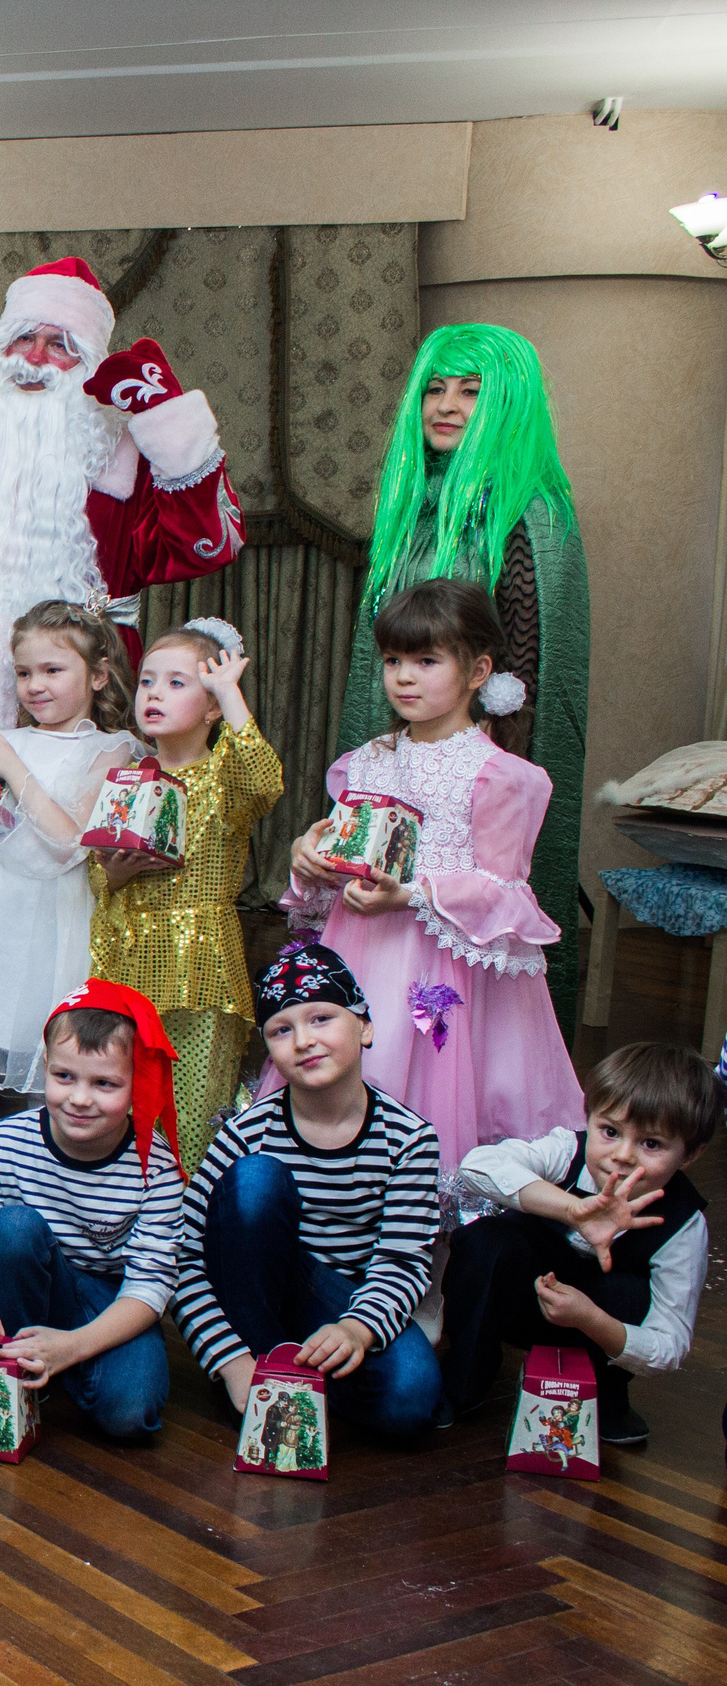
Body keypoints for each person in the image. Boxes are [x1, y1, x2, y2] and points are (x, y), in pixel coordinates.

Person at [285, 579, 580, 1181]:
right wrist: (307, 857)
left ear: (478, 671)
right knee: (354, 1068)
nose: (404, 677)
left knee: (426, 1076)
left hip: (442, 969)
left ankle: (420, 1212)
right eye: (393, 660)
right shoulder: (365, 760)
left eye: (426, 661)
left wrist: (414, 894)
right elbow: (342, 847)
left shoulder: (499, 776)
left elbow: (505, 892)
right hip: (358, 951)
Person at [344, 324, 588, 1019]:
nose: (446, 405)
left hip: (477, 766)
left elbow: (529, 658)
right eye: (435, 388)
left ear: (505, 403)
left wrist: (492, 751)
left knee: (457, 944)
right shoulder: (412, 508)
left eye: (471, 391)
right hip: (404, 749)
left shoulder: (528, 515)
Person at [0, 257, 244, 731]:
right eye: (24, 338)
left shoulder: (128, 463)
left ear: (87, 367)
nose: (36, 358)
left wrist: (169, 422)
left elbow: (208, 546)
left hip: (96, 710)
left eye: (60, 345)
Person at [170, 946, 443, 1441]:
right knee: (255, 1180)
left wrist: (357, 1330)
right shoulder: (243, 1134)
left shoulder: (410, 1139)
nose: (304, 1041)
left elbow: (403, 1261)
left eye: (321, 1018)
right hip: (253, 1300)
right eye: (281, 1029)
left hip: (342, 1303)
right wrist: (230, 1361)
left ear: (364, 1027)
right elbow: (184, 1257)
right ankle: (259, 1368)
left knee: (412, 1399)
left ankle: (301, 1375)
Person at [0, 601, 141, 1101]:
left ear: (98, 676)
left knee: (52, 1080)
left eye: (53, 670)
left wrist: (13, 768)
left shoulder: (110, 748)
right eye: (23, 672)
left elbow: (69, 843)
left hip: (52, 928)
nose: (35, 685)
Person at [0, 982, 184, 1440]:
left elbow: (151, 1286)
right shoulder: (9, 1141)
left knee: (131, 1415)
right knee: (11, 1228)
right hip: (33, 1280)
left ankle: (64, 1362)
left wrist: (74, 1346)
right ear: (46, 1065)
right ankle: (25, 1369)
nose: (80, 1098)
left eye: (105, 1083)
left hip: (112, 1300)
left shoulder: (157, 1166)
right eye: (65, 1077)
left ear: (137, 1084)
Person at [443, 1042, 717, 1448]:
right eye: (609, 1132)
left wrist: (590, 1319)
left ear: (691, 1154)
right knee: (485, 1241)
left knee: (629, 1291)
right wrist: (573, 1210)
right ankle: (462, 1384)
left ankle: (604, 1395)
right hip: (524, 1303)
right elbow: (477, 1166)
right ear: (589, 1118)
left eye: (652, 1144)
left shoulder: (684, 1224)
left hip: (598, 1327)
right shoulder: (567, 1151)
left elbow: (671, 1344)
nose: (621, 1156)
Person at [89, 619, 283, 1166]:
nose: (154, 693)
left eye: (178, 683)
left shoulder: (223, 775)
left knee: (190, 1111)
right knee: (118, 1102)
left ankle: (184, 1235)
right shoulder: (128, 775)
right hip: (123, 960)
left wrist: (232, 695)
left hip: (198, 966)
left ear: (213, 706)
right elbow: (96, 875)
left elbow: (264, 782)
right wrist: (118, 874)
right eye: (148, 681)